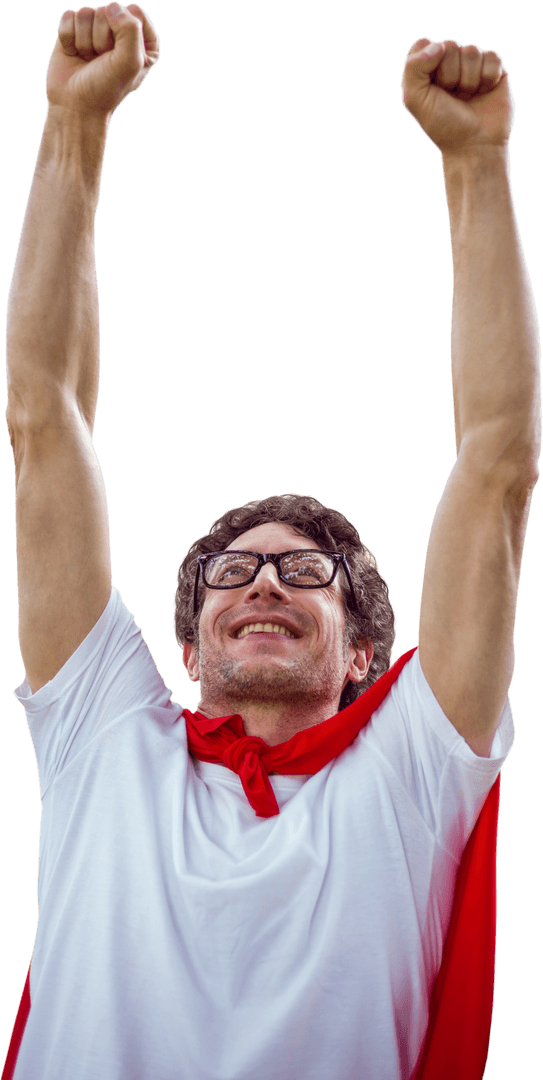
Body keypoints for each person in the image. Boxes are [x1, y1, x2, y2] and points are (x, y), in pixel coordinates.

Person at [3, 4, 540, 1079]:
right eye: (230, 573)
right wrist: (72, 124)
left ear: (360, 655)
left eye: (307, 573)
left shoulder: (409, 776)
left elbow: (498, 466)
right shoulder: (106, 736)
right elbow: (41, 417)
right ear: (188, 650)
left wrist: (478, 164)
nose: (262, 583)